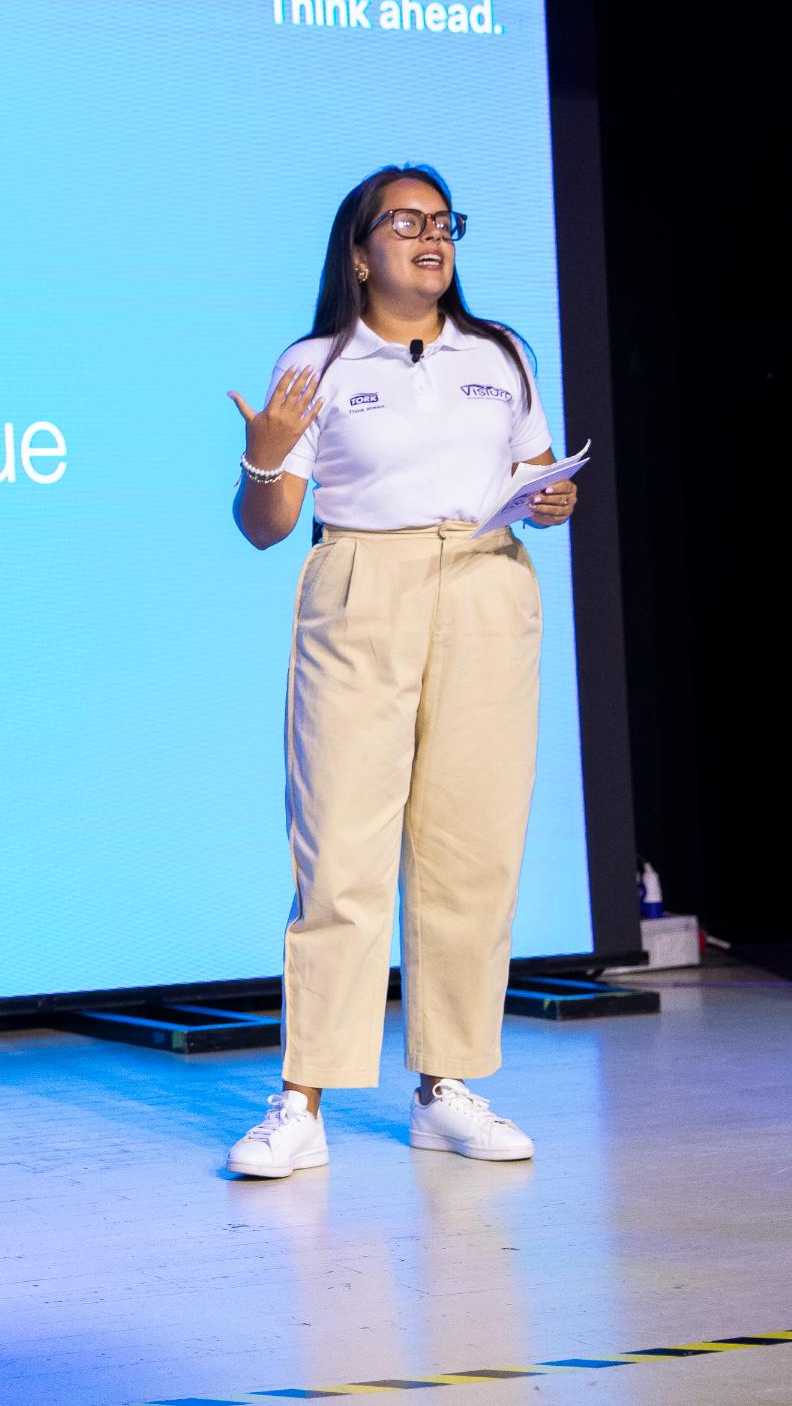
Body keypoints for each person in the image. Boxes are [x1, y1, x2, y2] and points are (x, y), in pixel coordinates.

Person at [221, 164, 578, 1180]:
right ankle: (303, 1101)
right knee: (339, 851)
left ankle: (445, 1089)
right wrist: (264, 457)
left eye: (443, 222)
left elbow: (533, 476)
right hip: (361, 584)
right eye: (407, 222)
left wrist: (552, 500)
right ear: (358, 251)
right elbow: (265, 527)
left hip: (485, 581)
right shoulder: (318, 362)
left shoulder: (501, 353)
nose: (431, 237)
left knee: (472, 846)